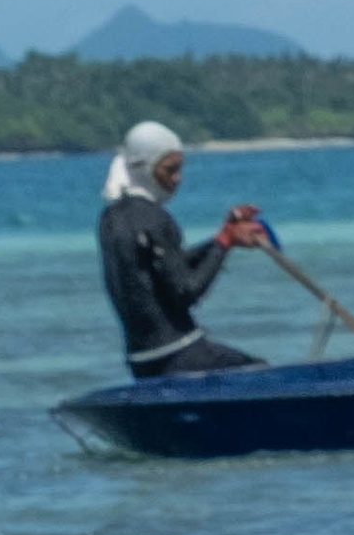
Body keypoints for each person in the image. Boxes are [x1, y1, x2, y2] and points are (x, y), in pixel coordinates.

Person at [96, 120, 274, 378]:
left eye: (179, 169)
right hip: (179, 354)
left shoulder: (109, 218)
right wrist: (224, 241)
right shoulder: (155, 218)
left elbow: (167, 269)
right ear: (145, 168)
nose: (177, 178)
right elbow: (186, 291)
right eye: (170, 170)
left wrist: (223, 239)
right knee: (260, 372)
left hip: (140, 362)